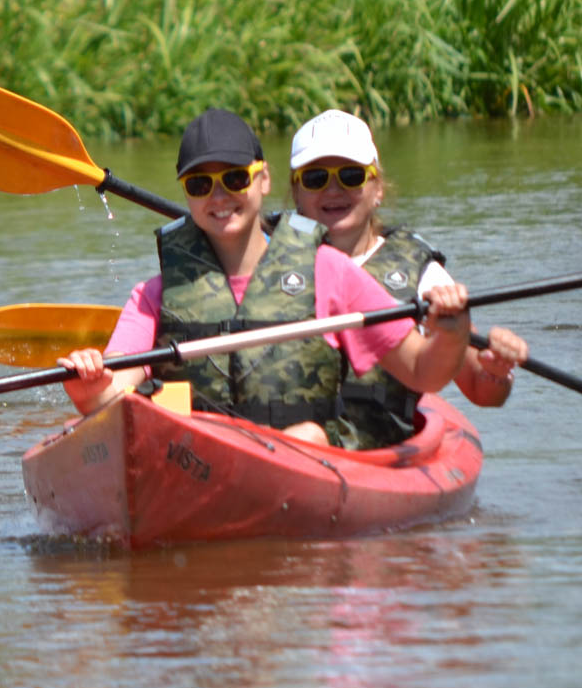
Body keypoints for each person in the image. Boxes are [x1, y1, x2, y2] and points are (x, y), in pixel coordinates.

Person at [58, 108, 474, 450]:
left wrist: (452, 332)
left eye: (235, 179)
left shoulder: (328, 271)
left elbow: (423, 371)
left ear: (264, 180)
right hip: (197, 462)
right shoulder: (158, 293)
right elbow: (106, 398)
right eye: (201, 184)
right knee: (148, 420)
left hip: (303, 464)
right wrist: (88, 383)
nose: (219, 197)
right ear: (187, 194)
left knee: (307, 434)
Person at [287, 109, 529, 448]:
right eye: (315, 178)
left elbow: (481, 390)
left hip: (379, 454)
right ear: (296, 193)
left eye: (351, 175)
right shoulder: (269, 260)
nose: (333, 189)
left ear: (378, 189)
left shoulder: (424, 276)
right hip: (288, 445)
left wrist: (497, 370)